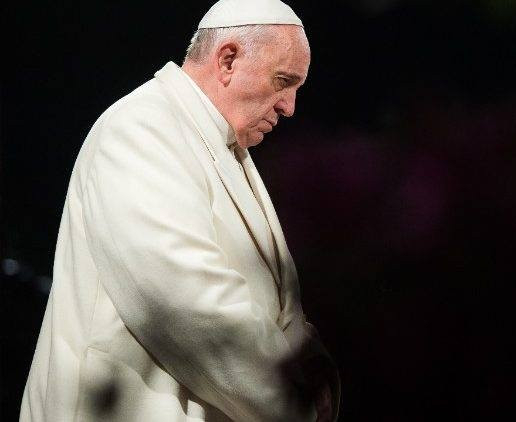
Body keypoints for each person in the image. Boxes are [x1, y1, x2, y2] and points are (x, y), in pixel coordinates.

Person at [20, 0, 339, 420]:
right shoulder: (141, 128)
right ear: (227, 60)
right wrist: (294, 399)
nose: (289, 107)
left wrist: (314, 377)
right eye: (283, 81)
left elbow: (283, 305)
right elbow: (187, 302)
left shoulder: (222, 144)